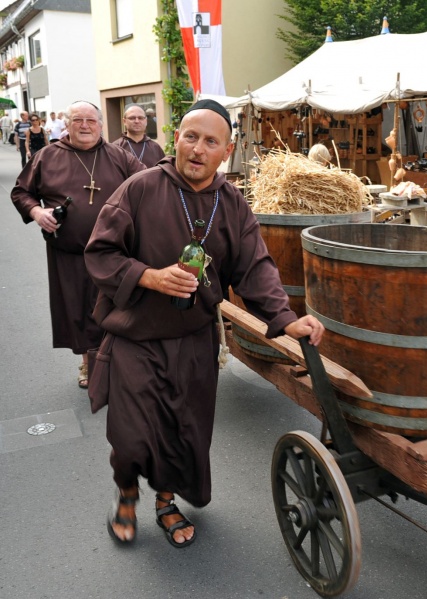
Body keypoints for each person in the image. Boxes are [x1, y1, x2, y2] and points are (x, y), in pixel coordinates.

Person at [84, 99, 324, 548]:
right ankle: (128, 492)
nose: (197, 149)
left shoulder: (231, 203)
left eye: (210, 141)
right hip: (137, 334)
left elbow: (255, 266)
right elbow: (100, 252)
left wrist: (284, 318)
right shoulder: (139, 189)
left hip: (193, 340)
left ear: (226, 150)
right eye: (190, 137)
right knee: (133, 434)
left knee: (183, 430)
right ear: (176, 138)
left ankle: (165, 503)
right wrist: (149, 276)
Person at [11, 101, 146, 388]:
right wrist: (37, 211)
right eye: (77, 120)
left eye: (90, 120)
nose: (84, 125)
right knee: (79, 312)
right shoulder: (47, 157)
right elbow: (21, 192)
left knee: (115, 309)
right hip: (69, 253)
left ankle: (113, 365)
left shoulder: (119, 156)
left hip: (113, 253)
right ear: (66, 125)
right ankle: (89, 365)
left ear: (100, 125)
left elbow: (149, 183)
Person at [112, 104, 165, 168]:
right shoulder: (115, 148)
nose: (137, 121)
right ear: (124, 121)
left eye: (140, 118)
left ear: (146, 121)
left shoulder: (155, 148)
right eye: (132, 118)